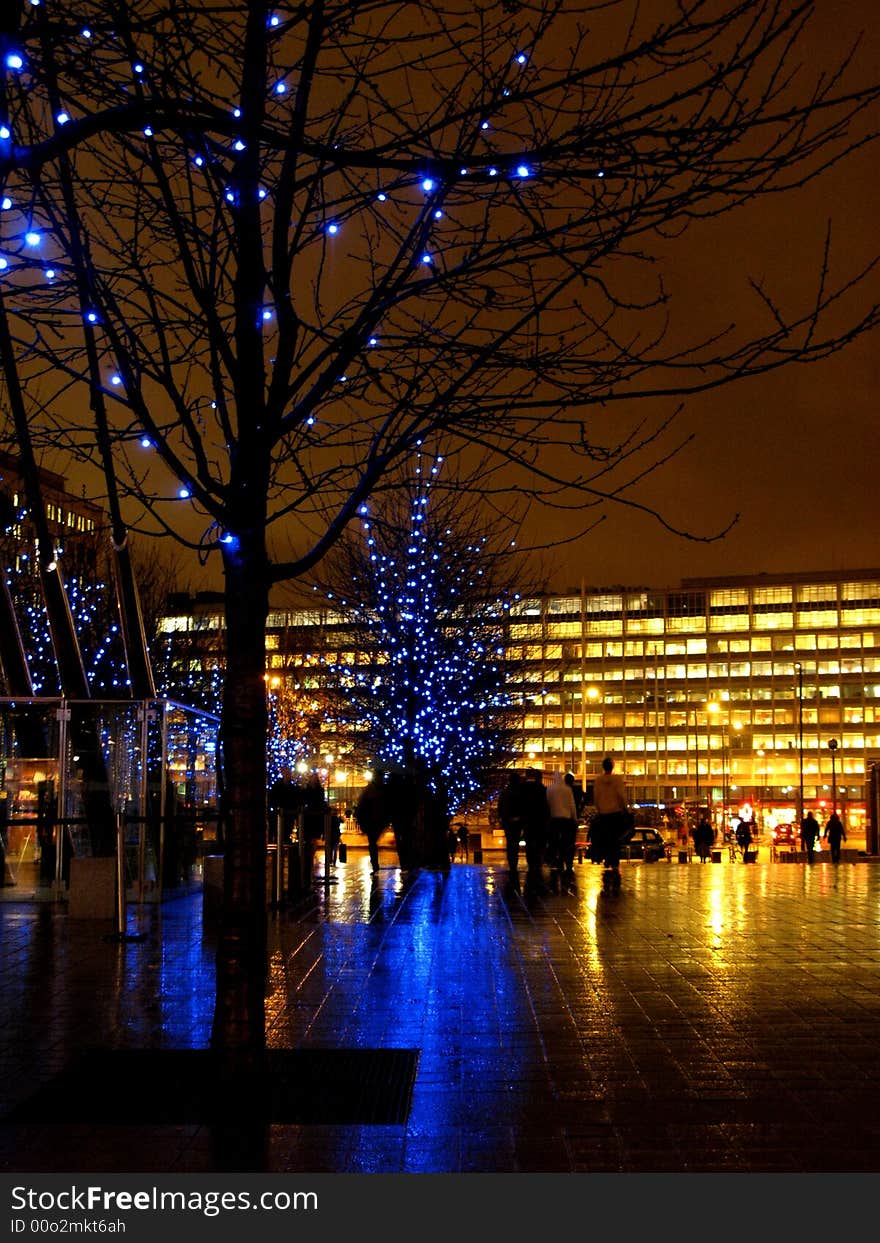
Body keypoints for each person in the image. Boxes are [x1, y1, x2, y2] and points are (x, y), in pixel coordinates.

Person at [590, 756, 629, 891]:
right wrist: (625, 808)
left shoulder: (598, 780)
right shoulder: (617, 780)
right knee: (615, 839)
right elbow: (621, 796)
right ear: (612, 767)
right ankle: (615, 861)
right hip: (615, 813)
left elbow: (596, 796)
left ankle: (606, 858)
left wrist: (599, 808)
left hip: (603, 813)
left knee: (605, 838)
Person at [547, 771, 579, 893]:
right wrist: (574, 818)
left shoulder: (549, 790)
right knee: (567, 842)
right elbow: (572, 805)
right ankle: (568, 862)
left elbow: (548, 804)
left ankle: (557, 861)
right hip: (566, 819)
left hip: (554, 819)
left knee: (555, 842)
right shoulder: (567, 790)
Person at [519, 768, 550, 890]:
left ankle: (531, 863)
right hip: (540, 820)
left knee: (530, 842)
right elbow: (546, 806)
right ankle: (537, 863)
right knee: (540, 843)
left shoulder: (523, 789)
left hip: (528, 820)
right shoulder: (542, 789)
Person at [354, 775, 387, 874]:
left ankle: (375, 865)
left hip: (372, 821)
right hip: (376, 821)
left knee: (372, 843)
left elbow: (361, 806)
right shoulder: (380, 791)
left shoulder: (368, 791)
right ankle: (375, 865)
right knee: (373, 843)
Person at [497, 771, 525, 880]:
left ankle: (512, 864)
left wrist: (503, 818)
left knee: (510, 843)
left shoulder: (505, 792)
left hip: (508, 821)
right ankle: (514, 864)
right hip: (517, 821)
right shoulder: (520, 792)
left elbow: (500, 807)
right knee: (515, 842)